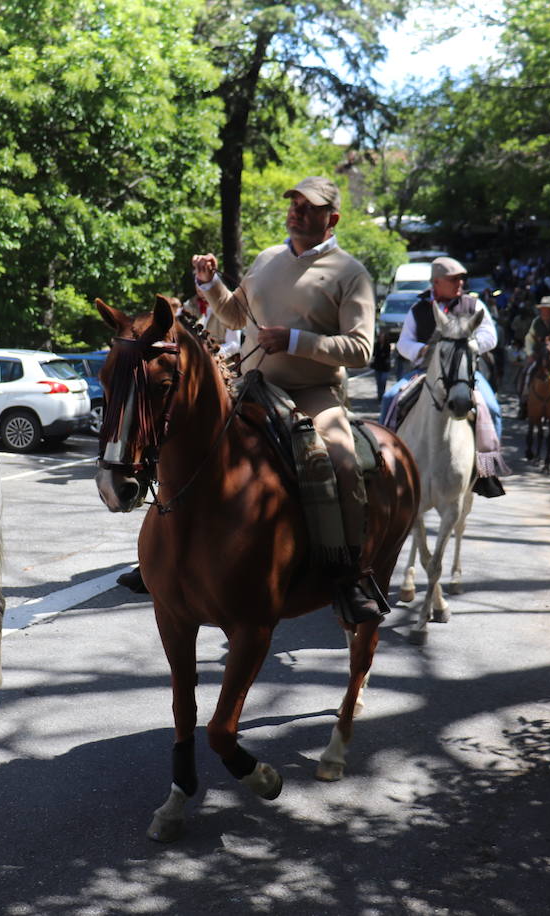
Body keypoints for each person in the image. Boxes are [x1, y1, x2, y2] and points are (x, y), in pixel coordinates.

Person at [191, 176, 381, 623]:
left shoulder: (351, 273)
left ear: (331, 218)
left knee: (342, 462)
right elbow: (237, 314)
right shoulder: (267, 259)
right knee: (188, 434)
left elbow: (361, 349)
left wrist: (296, 340)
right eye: (294, 203)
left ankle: (349, 576)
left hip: (312, 391)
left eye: (309, 206)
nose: (297, 210)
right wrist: (210, 283)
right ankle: (170, 551)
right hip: (251, 385)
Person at [383, 257, 502, 438]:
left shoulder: (474, 305)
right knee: (390, 398)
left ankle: (492, 462)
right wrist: (421, 350)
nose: (460, 283)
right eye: (454, 279)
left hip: (465, 374)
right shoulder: (418, 308)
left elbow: (490, 336)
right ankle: (385, 454)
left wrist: (470, 347)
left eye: (461, 279)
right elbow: (403, 343)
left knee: (492, 408)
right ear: (436, 282)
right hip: (423, 371)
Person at [371, 324, 397, 402]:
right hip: (377, 366)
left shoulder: (387, 345)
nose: (381, 338)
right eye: (380, 337)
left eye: (383, 337)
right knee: (378, 382)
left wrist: (381, 355)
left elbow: (386, 355)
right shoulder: (377, 345)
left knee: (383, 381)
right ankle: (379, 396)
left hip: (385, 367)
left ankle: (382, 395)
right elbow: (375, 354)